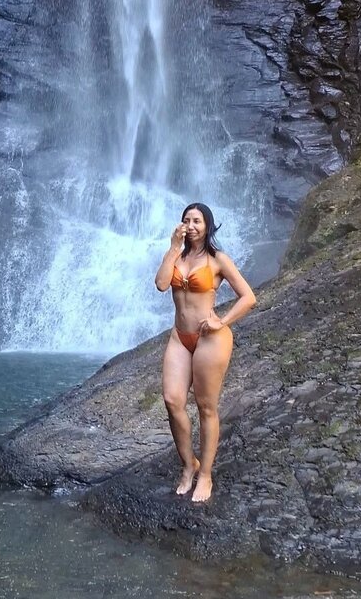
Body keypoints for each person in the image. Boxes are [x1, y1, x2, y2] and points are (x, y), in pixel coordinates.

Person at [154, 202, 256, 502]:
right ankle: (189, 465)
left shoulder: (218, 259)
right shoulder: (176, 255)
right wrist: (173, 247)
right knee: (172, 400)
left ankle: (206, 475)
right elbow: (161, 284)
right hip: (180, 337)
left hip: (210, 339)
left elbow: (248, 297)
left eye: (197, 221)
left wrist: (222, 321)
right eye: (186, 220)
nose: (191, 226)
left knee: (206, 407)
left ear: (207, 225)